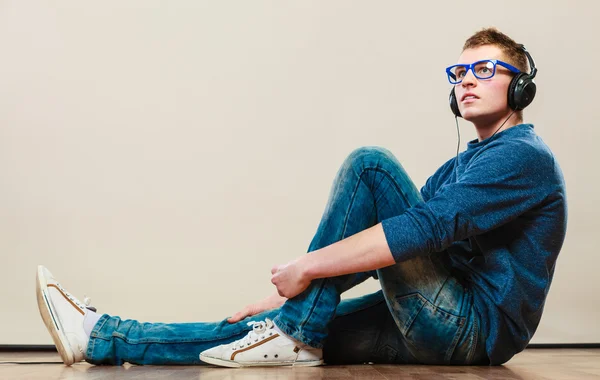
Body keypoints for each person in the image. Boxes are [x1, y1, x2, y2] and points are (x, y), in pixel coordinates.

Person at [36, 27, 567, 368]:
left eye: (484, 70)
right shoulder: (461, 163)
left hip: (468, 329)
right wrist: (289, 298)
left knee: (372, 166)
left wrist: (305, 270)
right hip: (434, 318)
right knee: (260, 331)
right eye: (459, 73)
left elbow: (418, 232)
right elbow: (390, 249)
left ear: (521, 88)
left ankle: (295, 331)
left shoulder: (523, 155)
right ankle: (100, 335)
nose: (466, 82)